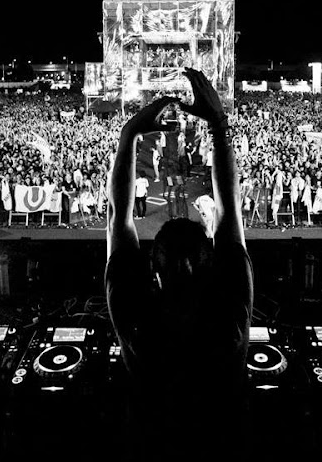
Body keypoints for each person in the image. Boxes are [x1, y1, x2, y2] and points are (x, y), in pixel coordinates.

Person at [105, 68, 253, 462]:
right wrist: (218, 124)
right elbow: (230, 209)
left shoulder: (137, 326)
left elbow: (118, 217)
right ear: (210, 261)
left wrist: (129, 134)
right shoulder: (231, 317)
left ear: (154, 271)